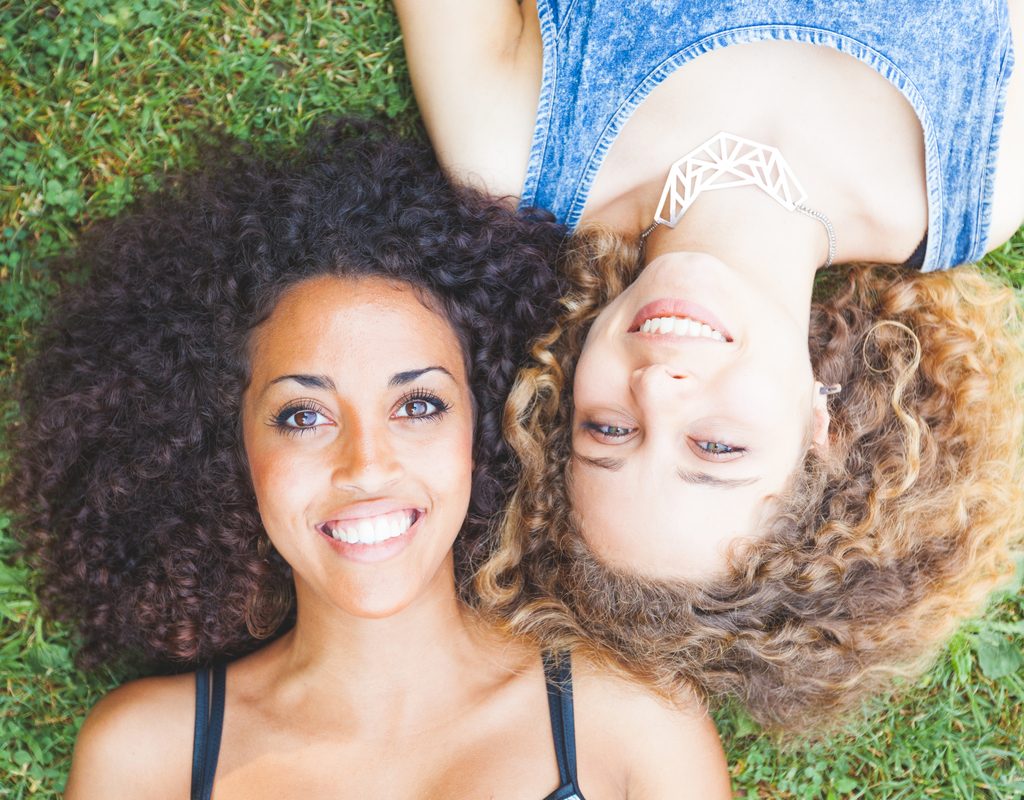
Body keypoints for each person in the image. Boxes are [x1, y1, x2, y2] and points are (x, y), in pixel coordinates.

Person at [5, 122, 730, 797]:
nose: (366, 465)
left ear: (487, 429)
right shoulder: (143, 758)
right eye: (303, 416)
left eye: (418, 405)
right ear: (224, 443)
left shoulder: (638, 723)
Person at [396, 2, 1024, 728]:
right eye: (716, 448)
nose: (657, 390)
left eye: (608, 431)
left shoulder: (513, 145)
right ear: (823, 430)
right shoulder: (983, 171)